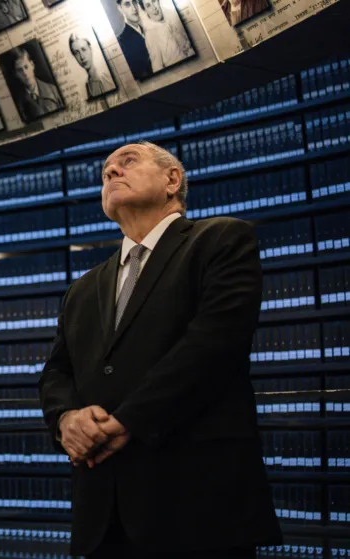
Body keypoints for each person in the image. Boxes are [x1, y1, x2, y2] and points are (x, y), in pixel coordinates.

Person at [39, 142, 282, 558]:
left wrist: (129, 420)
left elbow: (213, 345)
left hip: (197, 501)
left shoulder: (220, 240)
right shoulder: (82, 288)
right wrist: (66, 418)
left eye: (127, 161)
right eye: (105, 172)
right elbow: (57, 372)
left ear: (173, 180)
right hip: (104, 508)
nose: (112, 172)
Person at [10, 45, 63, 122]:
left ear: (32, 65)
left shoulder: (53, 90)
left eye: (26, 67)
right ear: (16, 74)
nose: (25, 73)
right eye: (19, 70)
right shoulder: (17, 103)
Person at [139, 0, 193, 72]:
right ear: (145, 11)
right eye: (148, 5)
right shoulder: (150, 35)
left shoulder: (170, 20)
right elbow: (157, 68)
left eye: (154, 1)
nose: (154, 8)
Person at [115, 0, 152, 80]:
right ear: (120, 8)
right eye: (127, 4)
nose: (134, 8)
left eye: (134, 2)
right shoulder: (122, 43)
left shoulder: (149, 29)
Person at [69, 34, 114, 99]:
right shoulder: (88, 83)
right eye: (76, 53)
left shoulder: (103, 77)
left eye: (84, 49)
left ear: (90, 49)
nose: (82, 57)